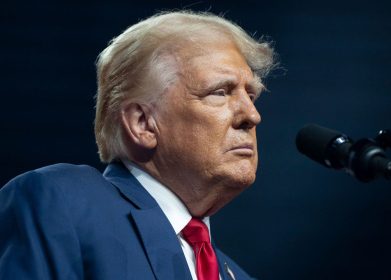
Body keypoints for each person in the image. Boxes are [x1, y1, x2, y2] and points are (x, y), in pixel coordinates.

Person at [0, 10, 275, 280]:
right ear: (142, 123)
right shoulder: (63, 204)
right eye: (220, 92)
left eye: (251, 95)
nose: (252, 115)